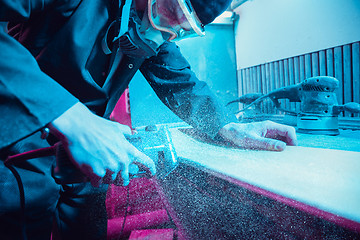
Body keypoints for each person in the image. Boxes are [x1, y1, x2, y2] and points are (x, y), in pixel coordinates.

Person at [0, 0, 297, 239]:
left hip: (88, 160)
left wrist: (227, 126)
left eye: (187, 27)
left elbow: (183, 85)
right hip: (22, 146)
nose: (172, 31)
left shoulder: (147, 31)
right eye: (176, 11)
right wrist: (74, 118)